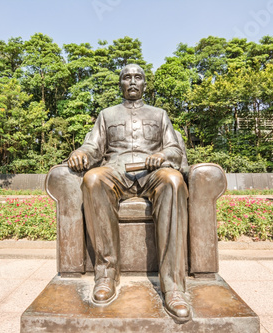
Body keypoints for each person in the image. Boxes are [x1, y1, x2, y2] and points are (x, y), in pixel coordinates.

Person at [67, 64, 190, 322]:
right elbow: (92, 147)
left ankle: (174, 287)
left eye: (138, 77)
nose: (132, 81)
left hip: (152, 171)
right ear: (120, 83)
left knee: (174, 180)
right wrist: (80, 153)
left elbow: (175, 150)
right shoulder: (107, 115)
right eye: (127, 77)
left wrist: (162, 155)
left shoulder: (159, 115)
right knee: (93, 178)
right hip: (117, 170)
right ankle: (107, 275)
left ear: (145, 84)